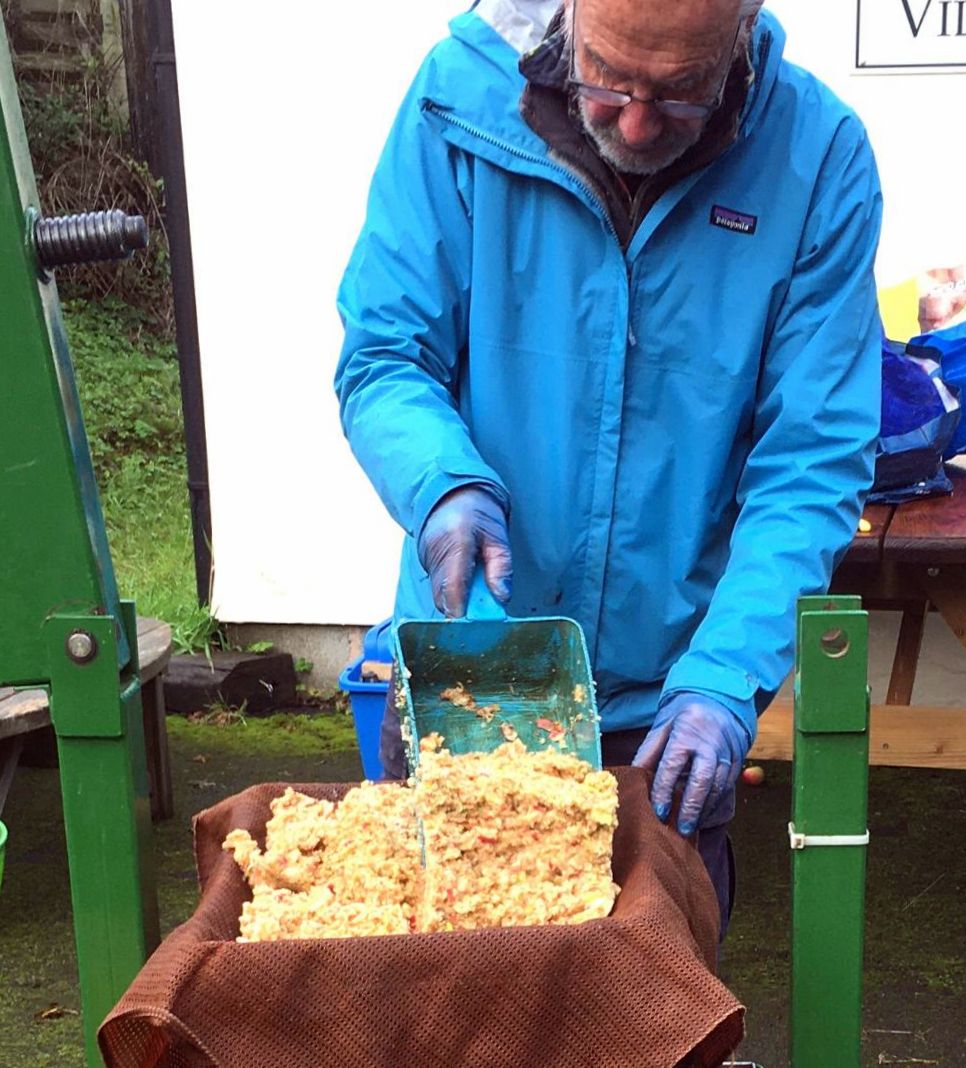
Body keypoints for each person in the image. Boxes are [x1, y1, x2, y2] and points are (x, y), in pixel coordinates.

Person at [335, 0, 882, 937]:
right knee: (447, 988)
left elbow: (810, 460)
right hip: (469, 661)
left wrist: (726, 675)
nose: (634, 124)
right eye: (609, 79)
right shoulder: (455, 102)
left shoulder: (817, 158)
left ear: (741, 34)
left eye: (680, 92)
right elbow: (385, 355)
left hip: (669, 698)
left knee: (651, 992)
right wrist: (442, 484)